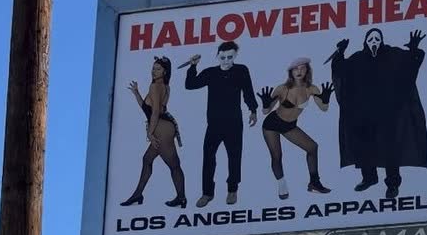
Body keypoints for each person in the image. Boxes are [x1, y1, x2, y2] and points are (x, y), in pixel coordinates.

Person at [330, 28, 427, 200]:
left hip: (387, 114)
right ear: (365, 42)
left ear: (381, 40)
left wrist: (414, 48)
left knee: (390, 149)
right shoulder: (358, 59)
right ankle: (369, 178)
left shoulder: (392, 54)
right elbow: (340, 70)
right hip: (364, 114)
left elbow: (411, 64)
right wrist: (340, 53)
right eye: (371, 39)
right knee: (365, 147)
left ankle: (392, 184)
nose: (374, 42)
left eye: (377, 39)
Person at [181, 41, 258, 207]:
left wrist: (253, 110)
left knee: (234, 157)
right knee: (208, 158)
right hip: (214, 124)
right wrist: (193, 66)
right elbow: (190, 85)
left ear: (235, 55)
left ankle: (232, 190)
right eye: (223, 57)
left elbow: (248, 91)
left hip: (234, 123)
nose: (226, 61)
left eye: (230, 57)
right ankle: (207, 193)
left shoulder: (241, 70)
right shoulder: (210, 73)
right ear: (217, 56)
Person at [258, 60, 333, 197]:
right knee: (277, 156)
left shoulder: (311, 89)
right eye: (296, 69)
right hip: (272, 124)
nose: (299, 71)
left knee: (312, 147)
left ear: (307, 70)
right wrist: (265, 104)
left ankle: (314, 183)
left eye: (302, 68)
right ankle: (282, 186)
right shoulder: (282, 88)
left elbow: (324, 108)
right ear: (291, 72)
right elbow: (266, 111)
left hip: (289, 125)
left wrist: (326, 100)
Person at [121, 57, 186, 208]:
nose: (153, 71)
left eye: (158, 69)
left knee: (173, 164)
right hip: (164, 126)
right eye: (153, 68)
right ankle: (138, 194)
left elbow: (155, 112)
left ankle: (181, 197)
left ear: (164, 72)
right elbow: (148, 109)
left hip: (161, 128)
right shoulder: (164, 86)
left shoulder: (156, 86)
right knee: (147, 159)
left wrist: (150, 133)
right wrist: (136, 93)